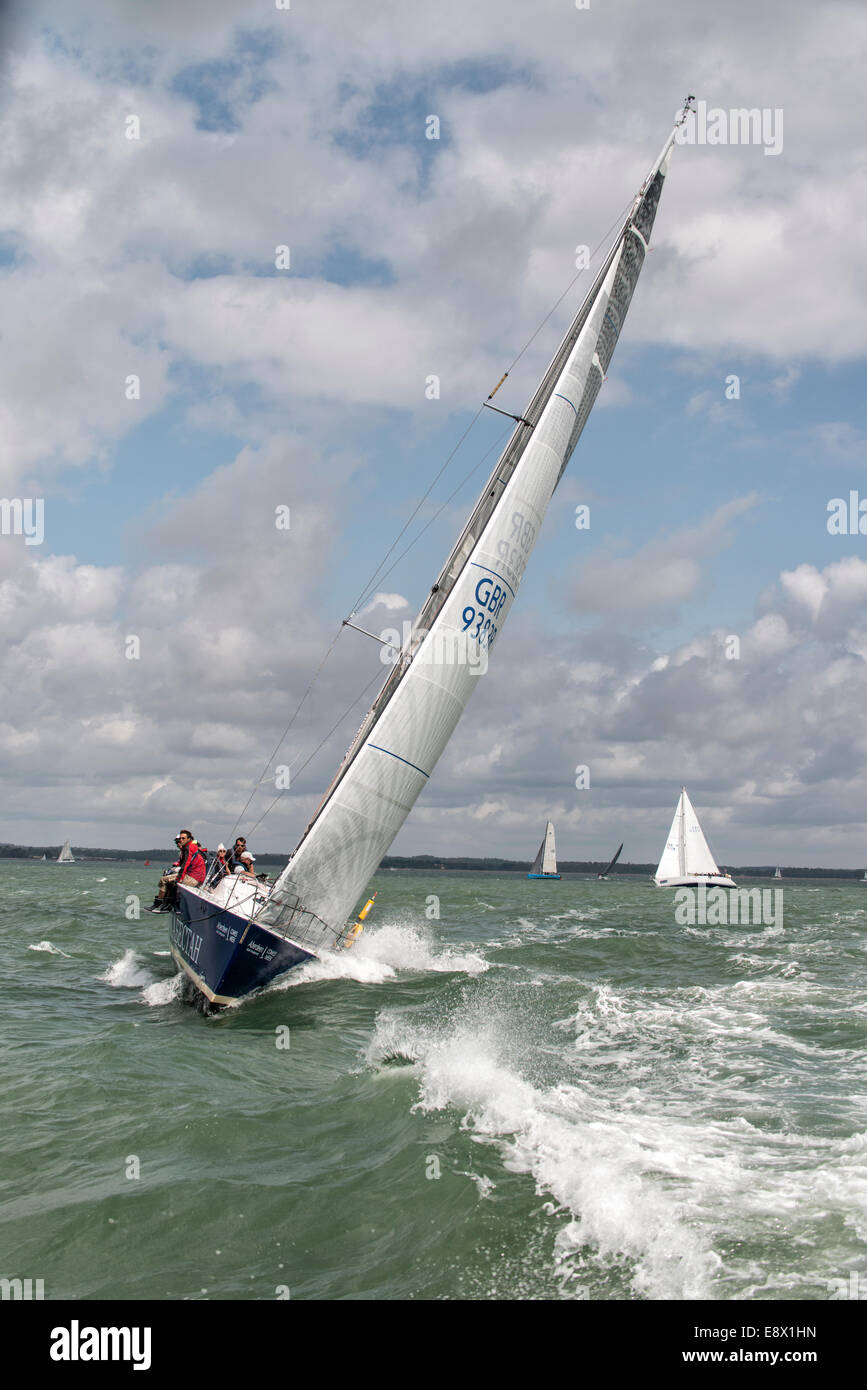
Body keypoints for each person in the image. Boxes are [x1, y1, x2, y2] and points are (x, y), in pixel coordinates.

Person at [149, 830, 206, 911]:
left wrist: (179, 878)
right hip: (198, 878)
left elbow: (185, 865)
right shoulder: (191, 847)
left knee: (164, 880)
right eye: (180, 839)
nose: (181, 841)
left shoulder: (188, 848)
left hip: (193, 878)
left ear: (189, 839)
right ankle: (168, 904)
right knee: (171, 880)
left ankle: (158, 904)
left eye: (183, 838)